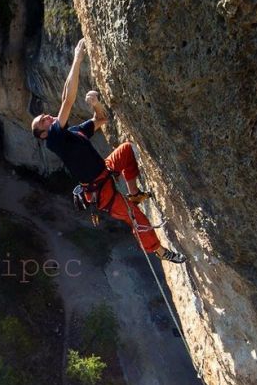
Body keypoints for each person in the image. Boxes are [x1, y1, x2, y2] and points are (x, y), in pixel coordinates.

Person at [31, 39, 186, 263]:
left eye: (44, 116)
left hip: (104, 171)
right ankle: (160, 251)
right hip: (100, 192)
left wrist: (95, 104)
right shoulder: (54, 140)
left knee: (126, 150)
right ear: (44, 134)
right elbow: (67, 99)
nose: (47, 116)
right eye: (42, 121)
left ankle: (134, 193)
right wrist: (77, 59)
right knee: (135, 216)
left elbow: (101, 119)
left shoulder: (73, 133)